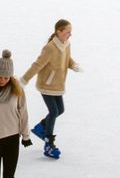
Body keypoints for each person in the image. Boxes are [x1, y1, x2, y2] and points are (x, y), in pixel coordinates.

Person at [23, 20, 81, 160]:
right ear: (58, 31)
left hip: (58, 85)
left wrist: (73, 65)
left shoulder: (67, 45)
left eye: (70, 32)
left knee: (60, 110)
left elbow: (67, 59)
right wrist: (25, 79)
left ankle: (41, 127)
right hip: (47, 85)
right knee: (53, 111)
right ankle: (49, 143)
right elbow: (37, 65)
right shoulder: (49, 48)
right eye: (67, 32)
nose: (70, 34)